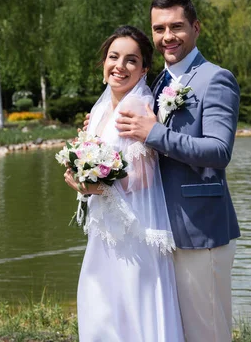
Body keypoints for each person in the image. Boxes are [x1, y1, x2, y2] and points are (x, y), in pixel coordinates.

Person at [115, 0, 241, 341]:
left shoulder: (215, 79)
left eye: (176, 26)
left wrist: (154, 133)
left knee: (208, 333)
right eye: (159, 28)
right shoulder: (156, 83)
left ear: (196, 28)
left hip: (199, 230)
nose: (166, 36)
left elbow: (218, 151)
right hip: (157, 232)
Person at [63, 25, 184, 341]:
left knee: (129, 306)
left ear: (144, 69)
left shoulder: (136, 106)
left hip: (134, 230)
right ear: (104, 63)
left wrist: (97, 186)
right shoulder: (101, 108)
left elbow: (143, 177)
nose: (120, 66)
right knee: (103, 303)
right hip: (107, 225)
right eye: (113, 57)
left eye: (132, 60)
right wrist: (79, 171)